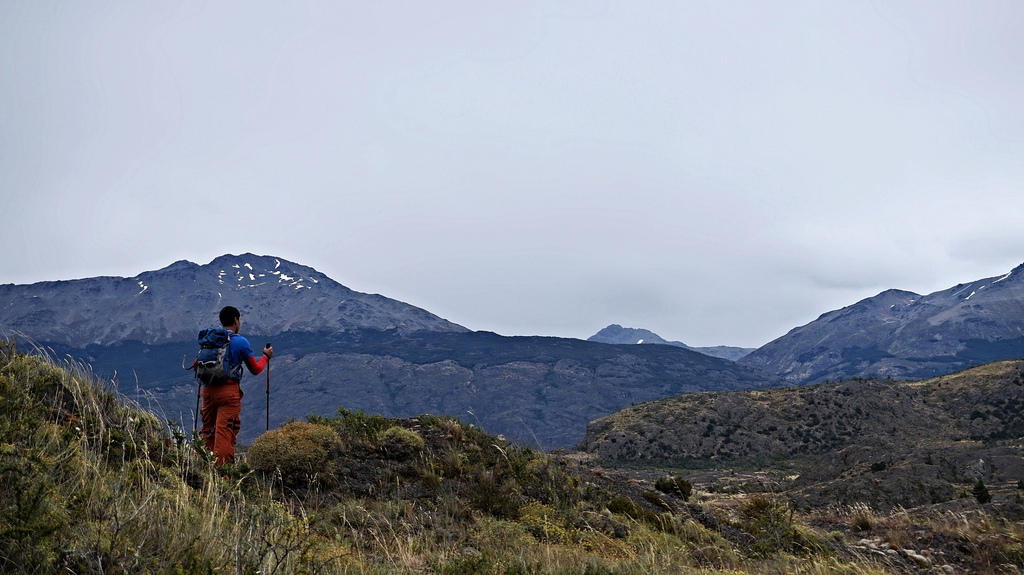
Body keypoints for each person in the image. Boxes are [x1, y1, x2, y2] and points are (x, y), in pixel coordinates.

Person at [200, 305, 273, 467]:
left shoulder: (210, 339)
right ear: (236, 320)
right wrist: (266, 357)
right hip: (229, 393)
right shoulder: (240, 342)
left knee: (207, 431)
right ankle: (223, 476)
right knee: (225, 433)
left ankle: (201, 470)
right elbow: (255, 369)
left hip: (208, 391)